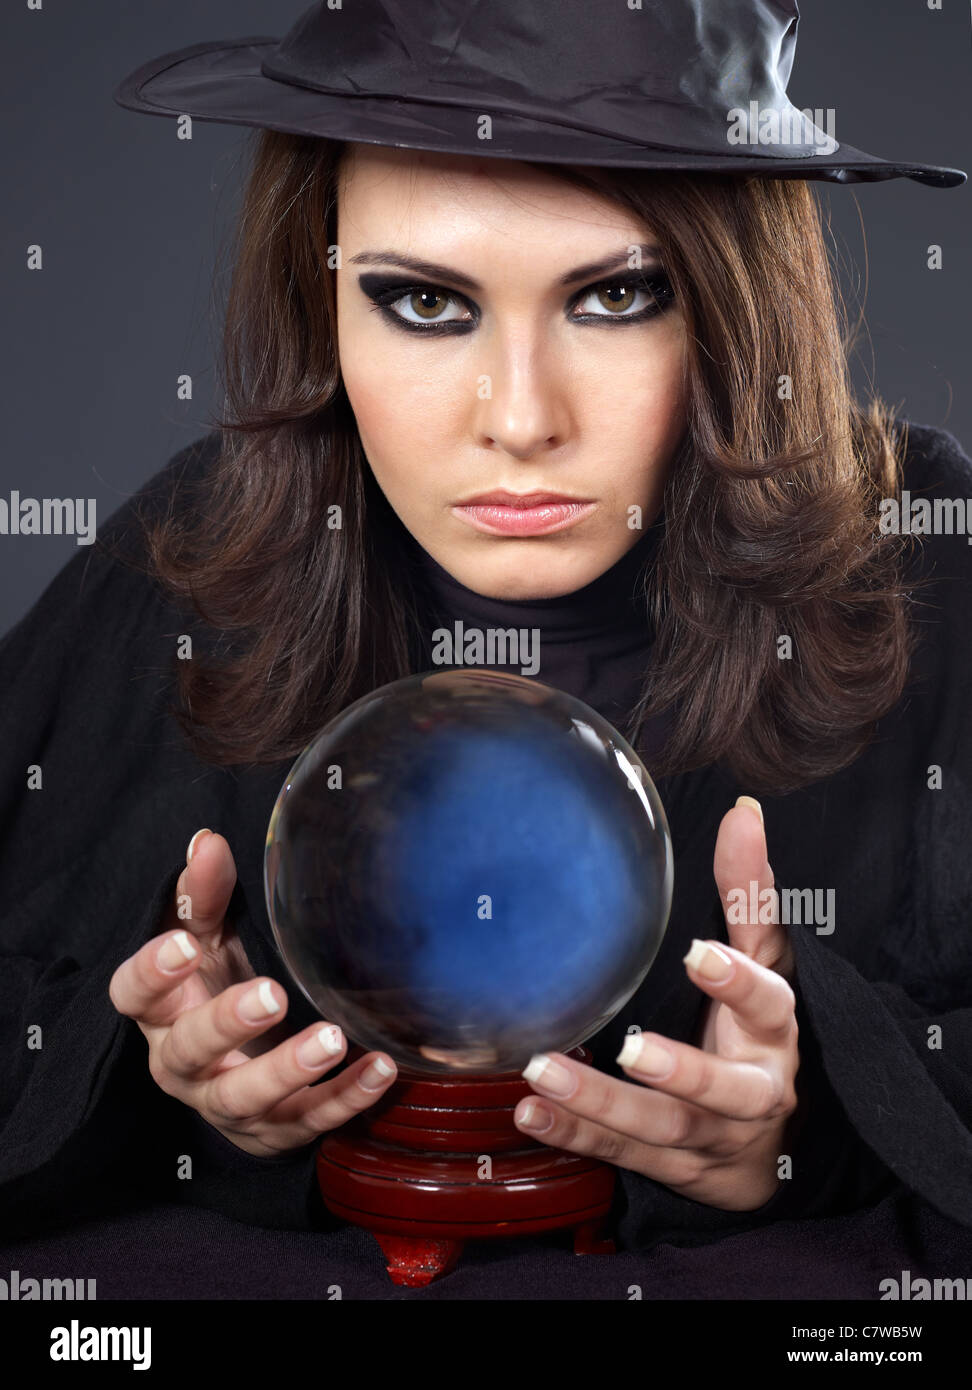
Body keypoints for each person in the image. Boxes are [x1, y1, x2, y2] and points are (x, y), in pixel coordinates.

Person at [1, 0, 970, 1293]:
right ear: (321, 292)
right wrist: (178, 1092)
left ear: (740, 305)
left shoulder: (923, 558)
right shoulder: (192, 552)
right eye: (422, 301)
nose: (520, 418)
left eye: (619, 295)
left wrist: (809, 1136)